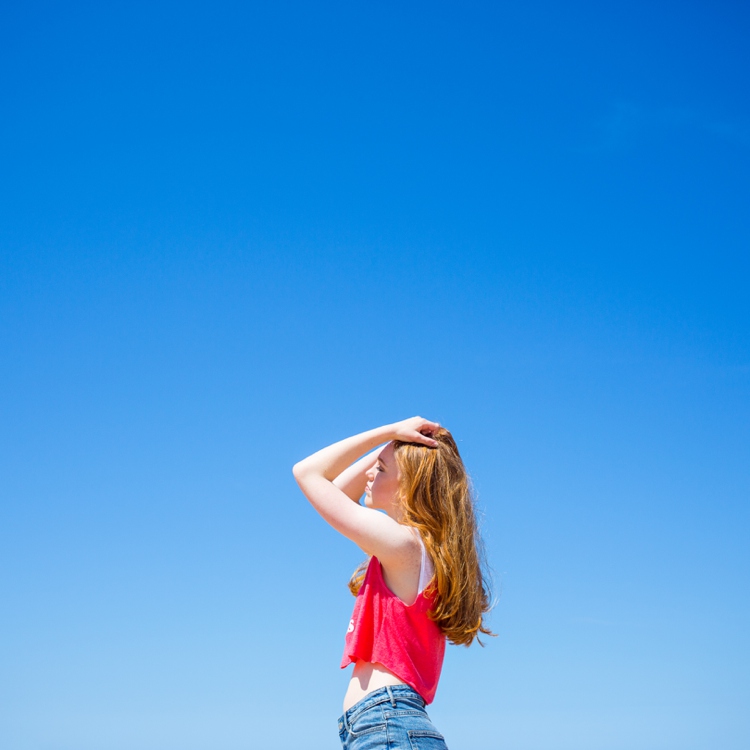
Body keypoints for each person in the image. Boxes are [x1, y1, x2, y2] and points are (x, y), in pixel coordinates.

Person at [293, 416, 492, 750]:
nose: (370, 473)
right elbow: (338, 493)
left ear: (410, 486)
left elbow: (308, 473)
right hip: (388, 725)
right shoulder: (419, 550)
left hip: (387, 723)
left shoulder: (404, 547)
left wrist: (390, 432)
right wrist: (393, 447)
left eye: (381, 469)